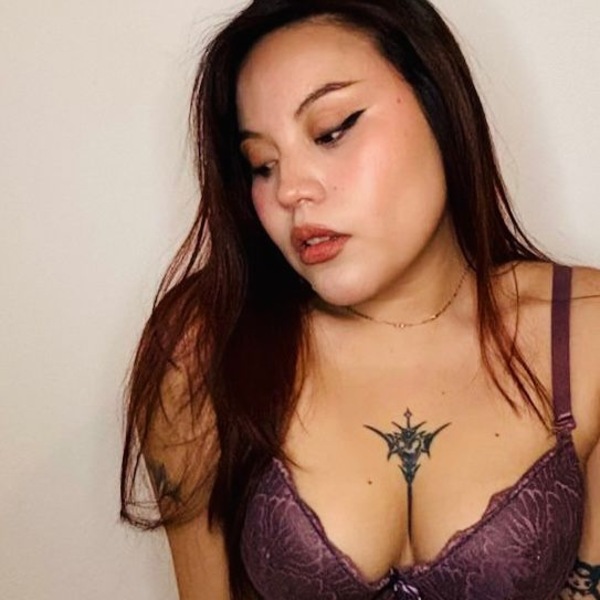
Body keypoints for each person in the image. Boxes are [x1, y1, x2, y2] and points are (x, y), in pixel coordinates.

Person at [120, 1, 600, 598]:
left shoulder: (585, 332)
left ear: (438, 105)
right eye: (262, 164)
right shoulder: (205, 348)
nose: (291, 189)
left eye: (331, 131)